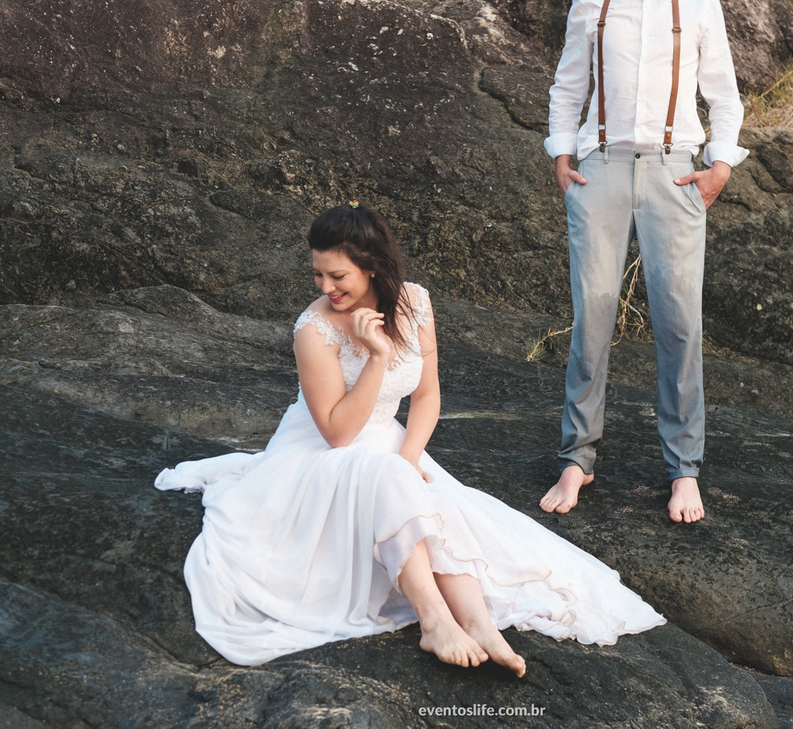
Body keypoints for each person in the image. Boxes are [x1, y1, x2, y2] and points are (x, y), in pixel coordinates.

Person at [155, 203, 665, 671]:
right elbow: (337, 433)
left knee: (434, 501)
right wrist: (376, 357)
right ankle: (434, 620)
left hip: (389, 441)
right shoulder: (313, 329)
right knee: (386, 478)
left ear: (372, 267)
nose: (326, 286)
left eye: (338, 275)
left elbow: (427, 394)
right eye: (317, 274)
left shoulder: (415, 302)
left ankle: (479, 624)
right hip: (317, 452)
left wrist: (410, 455)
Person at [539, 0, 749, 523]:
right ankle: (577, 458)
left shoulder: (701, 2)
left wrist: (720, 167)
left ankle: (684, 470)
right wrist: (562, 156)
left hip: (675, 174)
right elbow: (568, 87)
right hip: (600, 171)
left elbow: (725, 96)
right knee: (592, 315)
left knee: (679, 323)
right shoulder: (590, 2)